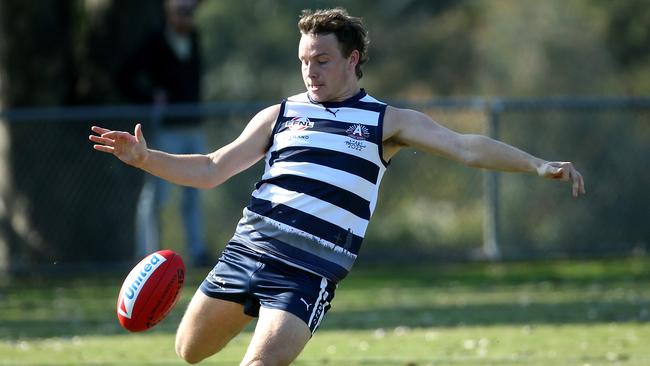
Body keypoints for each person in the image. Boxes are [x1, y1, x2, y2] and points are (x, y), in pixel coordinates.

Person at [90, 7, 586, 365]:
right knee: (189, 351)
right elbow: (211, 168)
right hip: (246, 253)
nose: (311, 70)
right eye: (305, 60)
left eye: (322, 60)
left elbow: (464, 147)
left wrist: (538, 165)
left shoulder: (383, 121)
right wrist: (145, 158)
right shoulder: (281, 114)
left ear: (352, 60)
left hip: (307, 273)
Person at [116, 0, 211, 266]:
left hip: (193, 126)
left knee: (196, 189)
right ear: (169, 12)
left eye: (190, 12)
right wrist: (149, 98)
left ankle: (197, 252)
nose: (187, 17)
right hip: (165, 130)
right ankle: (146, 254)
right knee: (156, 195)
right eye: (182, 11)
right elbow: (124, 77)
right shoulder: (155, 40)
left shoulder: (193, 37)